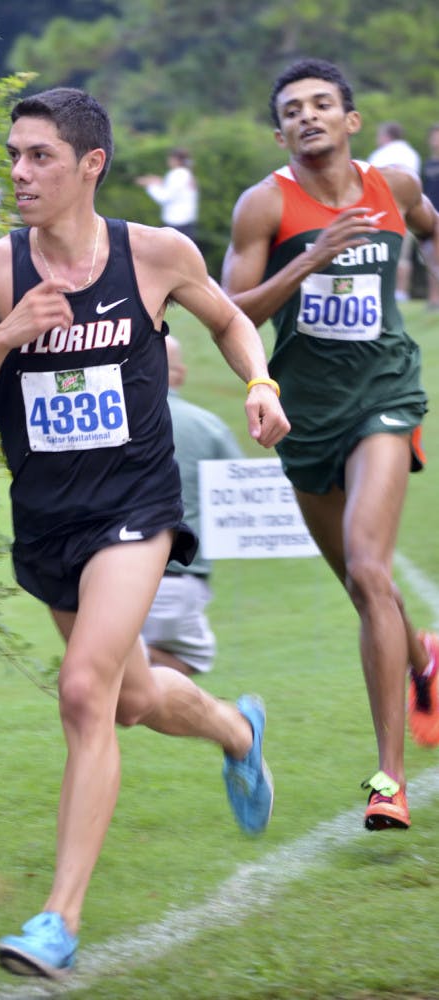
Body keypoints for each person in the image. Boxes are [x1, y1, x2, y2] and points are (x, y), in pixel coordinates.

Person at [0, 86, 289, 979]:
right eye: (13, 154)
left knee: (85, 692)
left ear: (90, 164)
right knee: (129, 700)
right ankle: (238, 733)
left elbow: (231, 320)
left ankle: (57, 919)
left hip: (135, 509)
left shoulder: (155, 254)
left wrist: (259, 384)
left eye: (39, 156)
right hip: (47, 519)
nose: (18, 172)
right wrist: (7, 334)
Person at [222, 58, 439, 834]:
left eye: (322, 104)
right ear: (277, 129)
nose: (307, 116)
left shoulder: (395, 188)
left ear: (351, 121)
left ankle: (389, 781)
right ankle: (424, 661)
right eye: (291, 109)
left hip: (384, 391)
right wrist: (311, 256)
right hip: (304, 414)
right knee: (359, 583)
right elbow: (229, 311)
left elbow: (427, 229)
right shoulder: (263, 206)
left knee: (372, 564)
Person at [142, 335, 243, 676]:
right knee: (193, 660)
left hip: (115, 575)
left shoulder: (114, 424)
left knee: (127, 688)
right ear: (180, 374)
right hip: (183, 576)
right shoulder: (208, 427)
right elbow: (241, 492)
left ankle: (131, 657)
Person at [368, 121, 422, 302]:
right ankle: (402, 292)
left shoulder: (380, 155)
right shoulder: (411, 154)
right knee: (403, 254)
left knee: (378, 252)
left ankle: (383, 291)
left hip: (381, 211)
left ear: (386, 136)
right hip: (408, 209)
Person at [135, 148, 199, 242]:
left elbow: (164, 197)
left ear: (175, 160)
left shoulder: (177, 174)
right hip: (186, 222)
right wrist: (159, 182)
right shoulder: (187, 173)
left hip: (176, 223)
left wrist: (150, 185)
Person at [421, 124, 439, 309]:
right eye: (433, 137)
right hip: (430, 217)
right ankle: (433, 298)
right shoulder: (428, 164)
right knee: (430, 259)